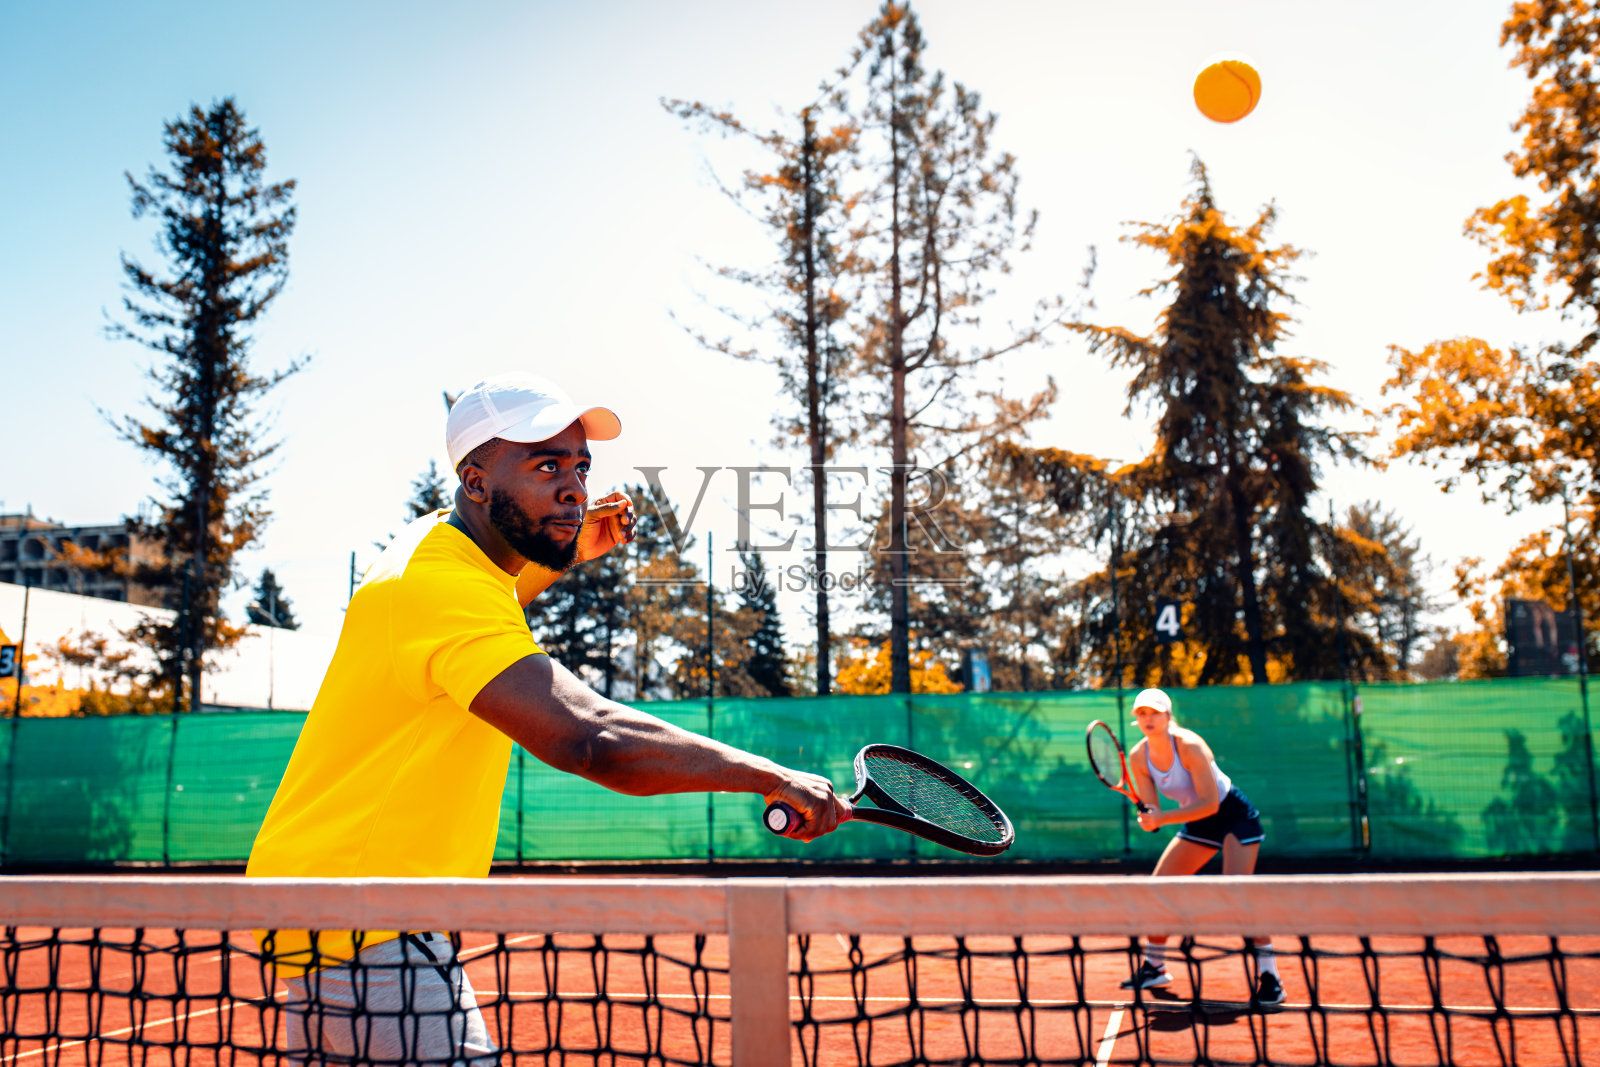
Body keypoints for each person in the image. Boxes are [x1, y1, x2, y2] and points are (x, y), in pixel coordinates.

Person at [246, 372, 847, 1064]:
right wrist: (769, 775)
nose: (574, 488)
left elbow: (488, 588)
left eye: (580, 467)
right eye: (545, 466)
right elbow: (591, 739)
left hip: (326, 905)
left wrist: (561, 553)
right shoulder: (440, 586)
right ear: (476, 482)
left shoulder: (429, 549)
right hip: (371, 920)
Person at [1118, 687, 1284, 1008]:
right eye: (1142, 713)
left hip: (1234, 816)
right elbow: (1153, 811)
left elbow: (1209, 803)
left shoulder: (1190, 746)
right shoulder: (1138, 757)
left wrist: (1162, 818)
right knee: (1159, 889)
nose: (1148, 719)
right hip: (1198, 823)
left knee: (1237, 895)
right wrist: (1150, 821)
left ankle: (1270, 977)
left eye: (1155, 713)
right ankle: (1155, 966)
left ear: (1168, 716)